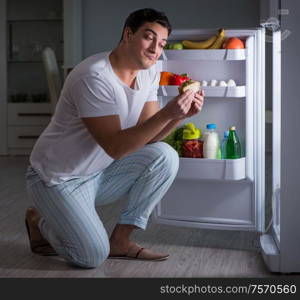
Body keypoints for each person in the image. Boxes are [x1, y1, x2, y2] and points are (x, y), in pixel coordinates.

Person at [25, 8, 204, 268]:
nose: (156, 49)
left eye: (162, 43)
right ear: (128, 34)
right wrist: (168, 112)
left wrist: (179, 116)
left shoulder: (150, 72)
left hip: (98, 174)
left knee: (165, 156)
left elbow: (149, 138)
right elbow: (116, 147)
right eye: (149, 37)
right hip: (57, 179)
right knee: (91, 257)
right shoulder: (94, 77)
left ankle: (121, 240)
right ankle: (39, 220)